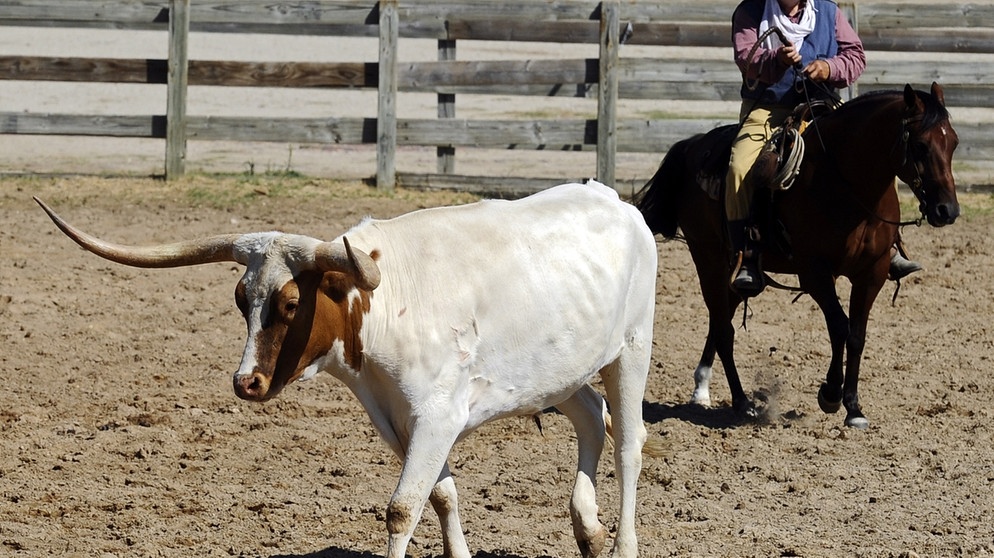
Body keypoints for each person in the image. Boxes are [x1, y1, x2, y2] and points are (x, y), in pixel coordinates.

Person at [727, 0, 922, 297]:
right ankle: (746, 253)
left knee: (875, 156)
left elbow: (855, 57)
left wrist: (829, 67)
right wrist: (777, 60)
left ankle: (888, 243)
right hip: (769, 108)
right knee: (739, 168)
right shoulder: (750, 12)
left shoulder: (828, 12)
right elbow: (746, 58)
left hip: (824, 106)